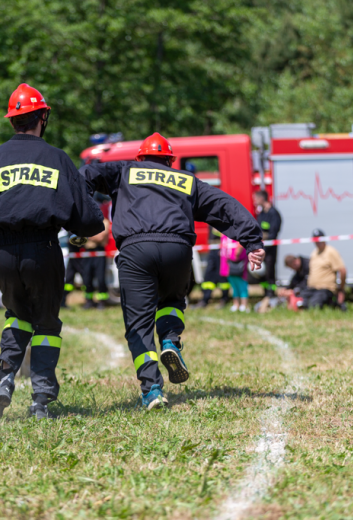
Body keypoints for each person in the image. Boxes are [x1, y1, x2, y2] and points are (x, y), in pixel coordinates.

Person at [81, 132, 264, 409]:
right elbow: (223, 205)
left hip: (136, 250)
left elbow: (83, 175)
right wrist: (252, 241)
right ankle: (170, 340)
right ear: (169, 161)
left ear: (140, 158)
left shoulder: (124, 170)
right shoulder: (185, 181)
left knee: (139, 325)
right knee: (171, 300)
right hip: (177, 250)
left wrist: (85, 217)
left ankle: (152, 390)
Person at [0, 83, 104, 419]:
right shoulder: (56, 158)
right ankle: (40, 400)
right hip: (44, 249)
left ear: (12, 122)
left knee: (17, 317)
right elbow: (90, 220)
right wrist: (81, 230)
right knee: (47, 324)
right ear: (43, 118)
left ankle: (5, 380)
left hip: (3, 254)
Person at [298, 229, 347, 310]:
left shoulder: (331, 251)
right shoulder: (314, 253)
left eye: (319, 238)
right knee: (299, 303)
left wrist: (341, 290)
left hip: (326, 288)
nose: (317, 241)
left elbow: (342, 270)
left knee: (314, 305)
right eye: (315, 239)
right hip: (312, 288)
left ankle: (335, 304)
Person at [193, 227, 232, 309]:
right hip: (212, 248)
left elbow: (228, 231)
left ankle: (224, 299)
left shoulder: (221, 216)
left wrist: (218, 230)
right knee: (208, 275)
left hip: (221, 247)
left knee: (221, 276)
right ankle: (205, 299)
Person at [253, 190, 281, 297]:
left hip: (270, 250)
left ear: (262, 198)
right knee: (262, 274)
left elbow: (273, 234)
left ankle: (271, 295)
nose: (255, 201)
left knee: (270, 273)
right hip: (261, 248)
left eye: (256, 199)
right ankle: (265, 294)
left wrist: (263, 235)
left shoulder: (273, 213)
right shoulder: (262, 214)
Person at [81, 218, 110, 310]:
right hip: (88, 252)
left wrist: (87, 235)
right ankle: (89, 301)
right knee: (87, 278)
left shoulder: (104, 222)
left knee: (100, 278)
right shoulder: (85, 221)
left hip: (99, 252)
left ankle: (102, 302)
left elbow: (100, 237)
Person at [220, 235, 249, 312]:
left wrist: (237, 253)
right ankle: (236, 304)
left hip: (238, 263)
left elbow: (242, 241)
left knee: (242, 285)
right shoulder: (224, 234)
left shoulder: (236, 231)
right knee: (234, 286)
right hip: (228, 264)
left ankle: (244, 305)